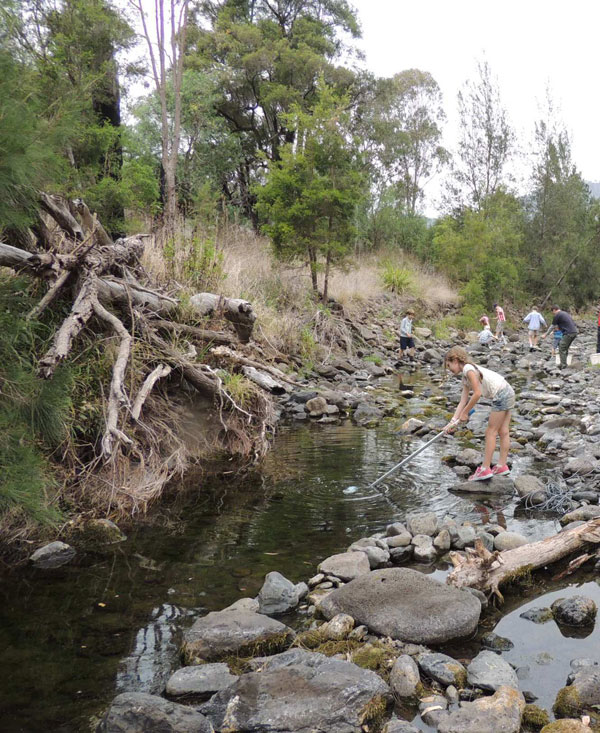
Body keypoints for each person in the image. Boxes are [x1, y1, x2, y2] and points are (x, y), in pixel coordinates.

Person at [444, 346, 515, 481]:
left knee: (491, 432)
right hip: (508, 390)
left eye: (449, 365)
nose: (449, 370)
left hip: (501, 394)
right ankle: (502, 466)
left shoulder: (468, 370)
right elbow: (463, 401)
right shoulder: (466, 375)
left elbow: (477, 394)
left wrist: (465, 413)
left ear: (455, 360)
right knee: (503, 431)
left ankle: (485, 469)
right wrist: (452, 422)